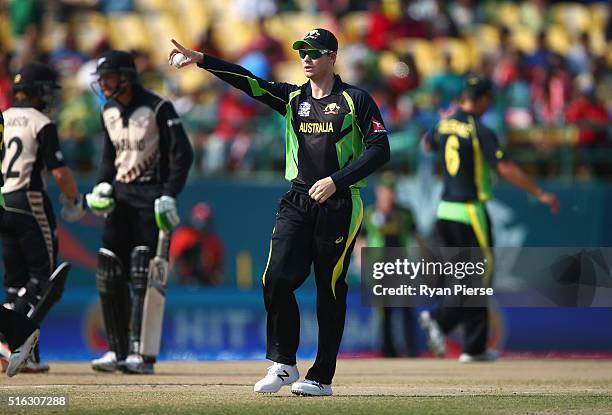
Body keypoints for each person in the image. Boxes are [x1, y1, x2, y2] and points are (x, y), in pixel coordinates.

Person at [169, 27, 390, 396]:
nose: (306, 58)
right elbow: (248, 82)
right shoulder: (292, 99)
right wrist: (204, 61)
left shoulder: (355, 99)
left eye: (315, 52)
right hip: (298, 199)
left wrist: (337, 180)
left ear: (332, 57)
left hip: (340, 202)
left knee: (329, 288)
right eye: (302, 51)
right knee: (275, 278)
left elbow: (380, 148)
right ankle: (284, 363)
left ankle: (321, 376)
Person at [420, 76, 559, 362]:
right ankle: (441, 320)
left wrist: (443, 121)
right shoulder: (479, 128)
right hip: (469, 211)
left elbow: (426, 145)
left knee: (466, 276)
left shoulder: (444, 124)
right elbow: (505, 167)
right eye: (488, 101)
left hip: (444, 211)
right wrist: (539, 192)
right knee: (479, 277)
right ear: (482, 99)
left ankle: (475, 346)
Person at [86, 50, 193, 374]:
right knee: (108, 269)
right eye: (101, 79)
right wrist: (103, 185)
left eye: (109, 78)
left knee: (142, 273)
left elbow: (182, 154)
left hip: (151, 198)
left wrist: (169, 195)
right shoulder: (108, 110)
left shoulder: (159, 107)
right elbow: (109, 158)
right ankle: (115, 350)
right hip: (120, 199)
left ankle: (140, 353)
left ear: (126, 77)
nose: (103, 85)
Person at [0, 62, 85, 373]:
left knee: (14, 281)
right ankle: (18, 341)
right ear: (37, 92)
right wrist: (74, 200)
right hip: (29, 199)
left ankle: (18, 351)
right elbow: (60, 171)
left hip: (2, 199)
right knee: (42, 279)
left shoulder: (5, 115)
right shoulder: (41, 121)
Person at [357, 172, 420, 357]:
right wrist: (361, 261)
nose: (389, 195)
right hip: (380, 266)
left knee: (407, 307)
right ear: (379, 192)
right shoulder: (370, 213)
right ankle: (387, 350)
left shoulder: (404, 213)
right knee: (385, 310)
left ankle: (411, 350)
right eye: (385, 191)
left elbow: (416, 237)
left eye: (392, 191)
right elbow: (361, 239)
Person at [170, 202, 224, 286]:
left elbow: (219, 269)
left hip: (206, 282)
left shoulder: (213, 241)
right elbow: (173, 261)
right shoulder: (183, 236)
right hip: (184, 282)